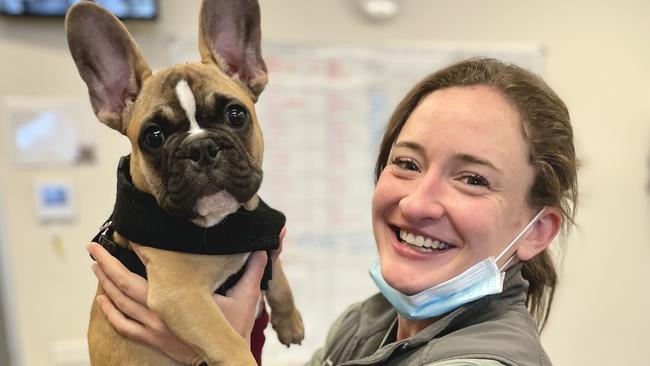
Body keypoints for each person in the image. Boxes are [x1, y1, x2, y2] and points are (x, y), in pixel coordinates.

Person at [88, 57, 577, 365]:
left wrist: (197, 354)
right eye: (406, 163)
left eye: (473, 179)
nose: (418, 201)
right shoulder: (368, 323)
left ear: (537, 231)